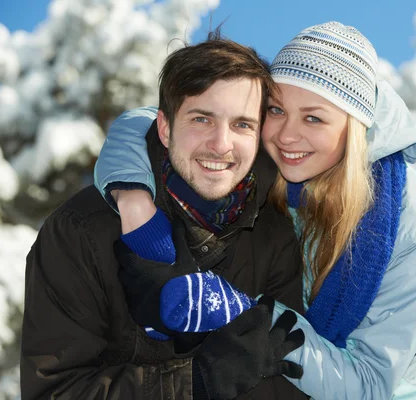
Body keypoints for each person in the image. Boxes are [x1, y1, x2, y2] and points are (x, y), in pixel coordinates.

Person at [95, 22, 416, 399]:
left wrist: (249, 317)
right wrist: (135, 202)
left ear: (354, 128)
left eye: (314, 118)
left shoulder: (415, 236)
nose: (286, 136)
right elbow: (148, 121)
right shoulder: (271, 151)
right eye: (276, 110)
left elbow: (371, 385)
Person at [20, 33, 309, 400]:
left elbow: (290, 379)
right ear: (165, 127)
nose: (221, 144)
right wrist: (194, 382)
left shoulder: (279, 233)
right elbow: (53, 391)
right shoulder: (80, 232)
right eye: (202, 119)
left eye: (242, 124)